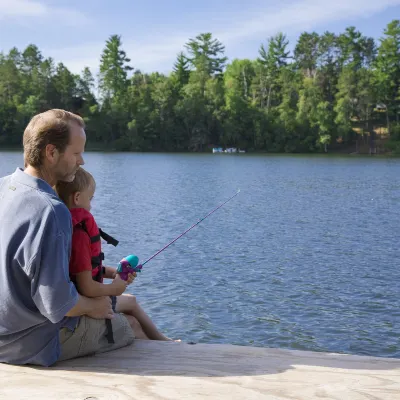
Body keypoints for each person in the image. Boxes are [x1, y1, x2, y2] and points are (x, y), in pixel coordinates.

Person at [0, 109, 145, 367]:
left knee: (120, 316)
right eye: (76, 153)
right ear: (51, 152)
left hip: (6, 334)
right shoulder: (52, 211)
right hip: (30, 345)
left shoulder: (3, 188)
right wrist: (93, 307)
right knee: (128, 326)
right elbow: (57, 303)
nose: (82, 162)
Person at [54, 167, 172, 341]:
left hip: (83, 298)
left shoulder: (68, 227)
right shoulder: (79, 235)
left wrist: (112, 273)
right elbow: (86, 286)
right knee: (131, 305)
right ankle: (165, 342)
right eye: (90, 199)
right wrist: (114, 288)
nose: (91, 205)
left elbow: (81, 269)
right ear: (77, 198)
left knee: (131, 316)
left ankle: (162, 341)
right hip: (85, 301)